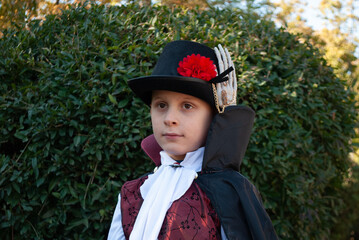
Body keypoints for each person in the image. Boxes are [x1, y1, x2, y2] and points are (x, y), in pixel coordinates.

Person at [107, 40, 278, 240]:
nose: (170, 118)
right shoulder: (131, 193)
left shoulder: (230, 192)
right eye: (161, 105)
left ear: (213, 117)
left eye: (187, 106)